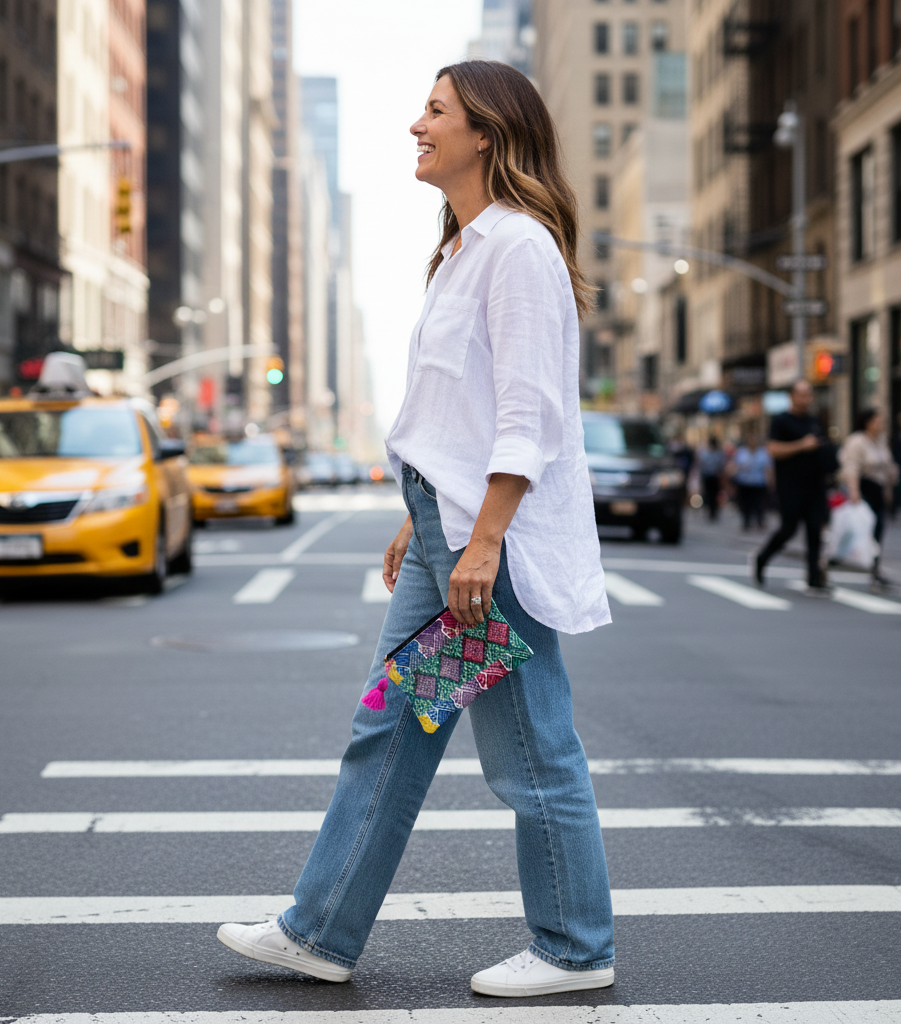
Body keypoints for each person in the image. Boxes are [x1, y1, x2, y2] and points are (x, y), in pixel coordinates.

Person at [216, 61, 616, 998]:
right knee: (391, 727)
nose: (416, 125)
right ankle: (321, 931)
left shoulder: (518, 247)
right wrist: (419, 511)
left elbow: (527, 412)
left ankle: (575, 947)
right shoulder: (465, 249)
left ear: (487, 133)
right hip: (447, 530)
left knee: (531, 750)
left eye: (436, 110)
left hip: (488, 548)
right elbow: (457, 410)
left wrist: (484, 539)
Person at [754, 380, 830, 593]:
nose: (806, 399)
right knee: (789, 528)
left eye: (809, 394)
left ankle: (814, 577)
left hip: (815, 484)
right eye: (802, 394)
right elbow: (773, 449)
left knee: (815, 529)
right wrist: (801, 445)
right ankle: (763, 558)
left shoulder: (815, 421)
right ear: (792, 397)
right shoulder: (781, 421)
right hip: (790, 485)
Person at [839, 408, 898, 587]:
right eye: (877, 420)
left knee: (878, 529)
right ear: (867, 422)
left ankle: (875, 568)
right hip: (864, 489)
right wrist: (854, 491)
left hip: (879, 490)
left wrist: (891, 484)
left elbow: (888, 466)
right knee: (862, 529)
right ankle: (840, 559)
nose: (880, 424)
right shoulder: (857, 441)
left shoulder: (881, 441)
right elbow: (851, 466)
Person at [731, 431, 772, 531]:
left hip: (759, 483)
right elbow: (734, 466)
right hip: (744, 482)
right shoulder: (741, 452)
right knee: (745, 503)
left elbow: (768, 468)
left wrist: (770, 481)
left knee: (759, 503)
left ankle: (760, 521)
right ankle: (746, 521)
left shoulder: (763, 452)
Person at [698, 435, 725, 521]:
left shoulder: (718, 454)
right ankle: (710, 510)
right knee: (708, 495)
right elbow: (702, 466)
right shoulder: (705, 453)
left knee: (715, 495)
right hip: (707, 477)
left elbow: (721, 466)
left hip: (716, 477)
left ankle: (714, 510)